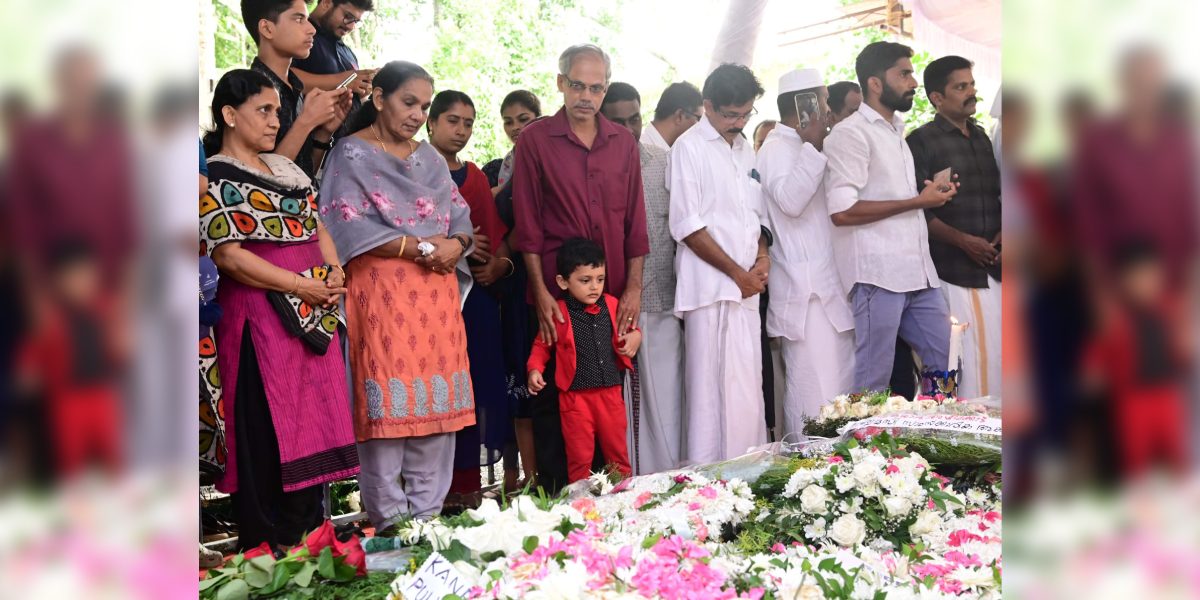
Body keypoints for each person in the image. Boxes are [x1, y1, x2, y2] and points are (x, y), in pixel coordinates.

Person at [200, 69, 359, 551]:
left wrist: (333, 274)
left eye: (277, 111)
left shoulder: (287, 171)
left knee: (315, 426)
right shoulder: (217, 173)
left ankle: (312, 546)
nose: (275, 121)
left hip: (313, 321)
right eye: (263, 111)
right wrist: (298, 285)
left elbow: (319, 230)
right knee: (268, 433)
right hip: (260, 322)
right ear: (230, 115)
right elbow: (228, 256)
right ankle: (269, 557)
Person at [318, 61, 477, 531]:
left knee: (435, 412)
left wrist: (457, 245)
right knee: (386, 408)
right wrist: (421, 245)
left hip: (436, 298)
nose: (417, 114)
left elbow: (461, 217)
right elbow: (344, 222)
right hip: (382, 294)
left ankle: (427, 525)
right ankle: (391, 528)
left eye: (424, 106)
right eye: (409, 102)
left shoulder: (428, 157)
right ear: (380, 97)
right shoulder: (351, 154)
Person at [512, 43, 649, 490]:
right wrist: (542, 295)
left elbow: (636, 224)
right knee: (556, 405)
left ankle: (614, 502)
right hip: (557, 295)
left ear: (605, 88)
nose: (585, 96)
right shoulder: (535, 140)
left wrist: (633, 289)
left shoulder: (623, 142)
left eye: (595, 87)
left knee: (608, 397)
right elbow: (528, 227)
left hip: (607, 297)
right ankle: (561, 507)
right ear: (560, 84)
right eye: (577, 85)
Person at [823, 41, 957, 394]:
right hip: (877, 277)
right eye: (904, 74)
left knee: (947, 361)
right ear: (875, 83)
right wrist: (916, 200)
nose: (913, 82)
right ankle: (860, 450)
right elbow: (842, 211)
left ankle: (931, 443)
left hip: (919, 274)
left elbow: (897, 197)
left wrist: (930, 196)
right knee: (873, 382)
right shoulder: (849, 133)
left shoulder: (897, 131)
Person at [669, 63, 770, 464]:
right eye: (731, 114)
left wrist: (762, 258)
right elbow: (687, 225)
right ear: (707, 106)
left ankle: (752, 475)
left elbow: (756, 216)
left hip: (747, 288)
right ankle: (709, 486)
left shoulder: (745, 146)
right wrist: (736, 274)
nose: (739, 122)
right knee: (709, 397)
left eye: (746, 113)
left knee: (748, 391)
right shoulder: (688, 148)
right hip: (709, 290)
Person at [756, 68, 854, 436]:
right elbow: (791, 201)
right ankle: (810, 476)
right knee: (813, 393)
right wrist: (812, 145)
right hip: (805, 292)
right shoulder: (777, 147)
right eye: (824, 100)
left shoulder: (808, 144)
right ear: (806, 105)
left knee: (841, 390)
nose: (829, 110)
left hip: (830, 288)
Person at [425, 89, 510, 506]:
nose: (461, 130)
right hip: (422, 297)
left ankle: (465, 486)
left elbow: (492, 240)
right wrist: (452, 241)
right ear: (431, 122)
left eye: (469, 123)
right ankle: (426, 492)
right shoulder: (413, 168)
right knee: (432, 387)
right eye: (452, 121)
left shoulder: (474, 176)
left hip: (471, 296)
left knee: (470, 390)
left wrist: (490, 258)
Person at [906, 55, 1002, 398]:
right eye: (961, 87)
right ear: (937, 97)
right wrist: (964, 242)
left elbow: (995, 196)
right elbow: (919, 211)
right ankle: (957, 436)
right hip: (951, 272)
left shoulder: (981, 138)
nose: (971, 92)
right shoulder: (920, 141)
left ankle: (996, 437)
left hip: (993, 268)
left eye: (972, 84)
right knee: (956, 359)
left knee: (999, 358)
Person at [600, 82, 683, 475]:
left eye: (635, 118)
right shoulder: (597, 167)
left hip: (663, 299)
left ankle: (669, 478)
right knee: (623, 407)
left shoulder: (663, 161)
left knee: (666, 399)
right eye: (619, 120)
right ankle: (632, 483)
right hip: (613, 304)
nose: (630, 128)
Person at [527, 238, 640, 482]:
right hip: (575, 399)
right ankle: (580, 506)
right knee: (579, 456)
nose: (594, 287)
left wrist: (634, 339)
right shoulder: (559, 312)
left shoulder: (611, 304)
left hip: (610, 393)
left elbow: (631, 330)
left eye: (600, 279)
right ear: (563, 282)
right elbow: (542, 344)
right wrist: (535, 369)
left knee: (617, 452)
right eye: (585, 280)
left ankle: (624, 500)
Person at [1080, 242, 1190, 476]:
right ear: (1122, 281)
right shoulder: (1114, 317)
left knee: (1176, 458)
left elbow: (1184, 343)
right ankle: (1142, 507)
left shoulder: (1170, 307)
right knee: (1136, 461)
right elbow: (1098, 350)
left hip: (1168, 395)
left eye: (1151, 276)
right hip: (1132, 399)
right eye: (1136, 277)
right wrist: (1093, 370)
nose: (1144, 284)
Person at [241, 0, 353, 177]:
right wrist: (307, 121)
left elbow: (303, 178)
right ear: (267, 29)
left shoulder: (295, 88)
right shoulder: (248, 92)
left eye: (307, 19)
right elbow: (261, 182)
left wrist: (323, 133)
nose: (312, 29)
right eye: (299, 19)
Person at [291, 0, 378, 137]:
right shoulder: (300, 36)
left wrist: (362, 88)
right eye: (348, 16)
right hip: (306, 143)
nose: (351, 26)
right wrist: (344, 81)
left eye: (356, 21)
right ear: (326, 3)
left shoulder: (348, 53)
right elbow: (283, 76)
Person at [482, 90, 542, 193]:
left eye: (523, 119)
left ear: (539, 119)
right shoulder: (493, 171)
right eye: (508, 122)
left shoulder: (555, 160)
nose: (515, 127)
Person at [642, 81, 703, 151]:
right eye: (699, 119)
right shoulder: (639, 153)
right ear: (680, 116)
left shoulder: (672, 151)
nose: (701, 126)